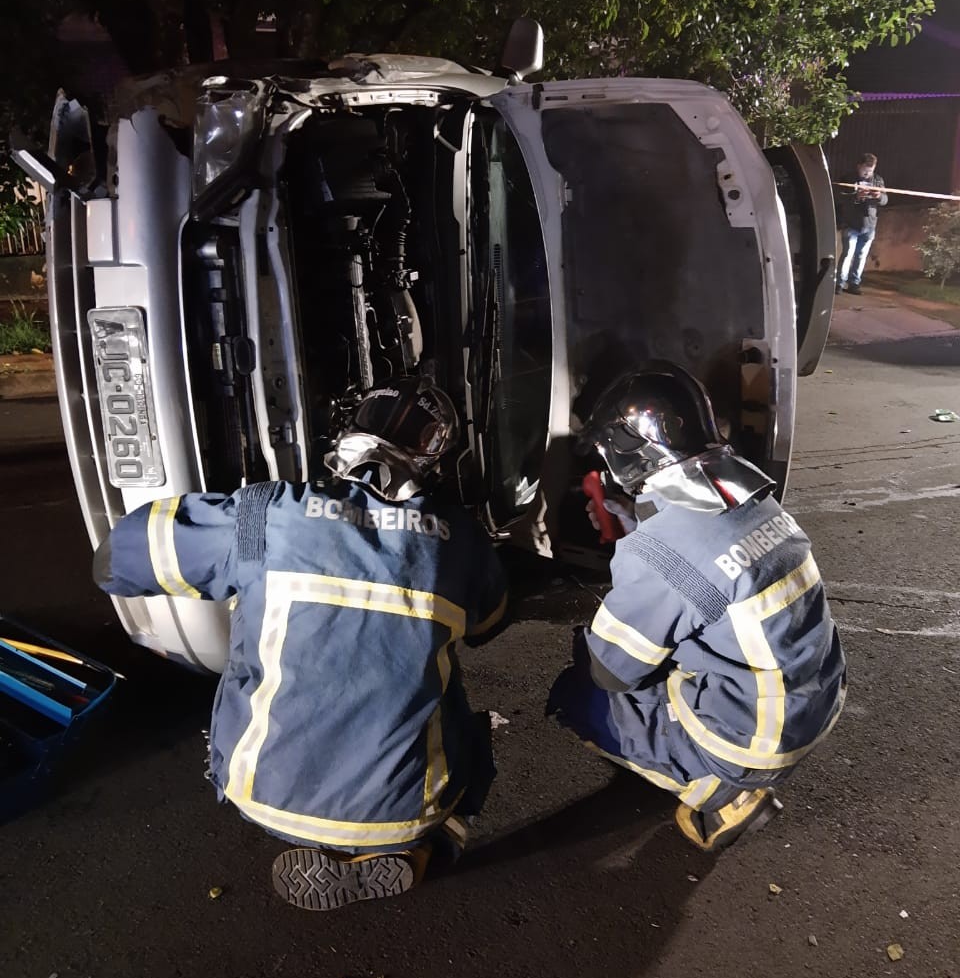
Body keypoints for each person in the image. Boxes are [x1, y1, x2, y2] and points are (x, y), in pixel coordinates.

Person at [93, 376, 507, 911]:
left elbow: (111, 564)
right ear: (433, 459)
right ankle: (430, 844)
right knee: (447, 691)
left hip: (260, 789)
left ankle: (333, 821)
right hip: (406, 806)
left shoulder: (264, 514)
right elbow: (488, 623)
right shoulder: (464, 544)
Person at [548, 364, 846, 852]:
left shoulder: (659, 553)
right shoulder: (759, 502)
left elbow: (612, 670)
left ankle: (719, 791)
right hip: (816, 702)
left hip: (754, 741)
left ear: (628, 452)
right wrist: (637, 527)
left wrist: (636, 560)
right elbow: (706, 563)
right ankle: (726, 764)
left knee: (581, 693)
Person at [836, 152, 887, 295]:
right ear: (859, 166)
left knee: (861, 255)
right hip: (851, 223)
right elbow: (840, 199)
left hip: (869, 224)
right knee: (847, 254)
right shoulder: (848, 179)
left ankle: (854, 284)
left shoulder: (878, 180)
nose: (867, 173)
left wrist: (879, 196)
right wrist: (855, 196)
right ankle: (839, 283)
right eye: (865, 170)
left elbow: (885, 200)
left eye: (870, 171)